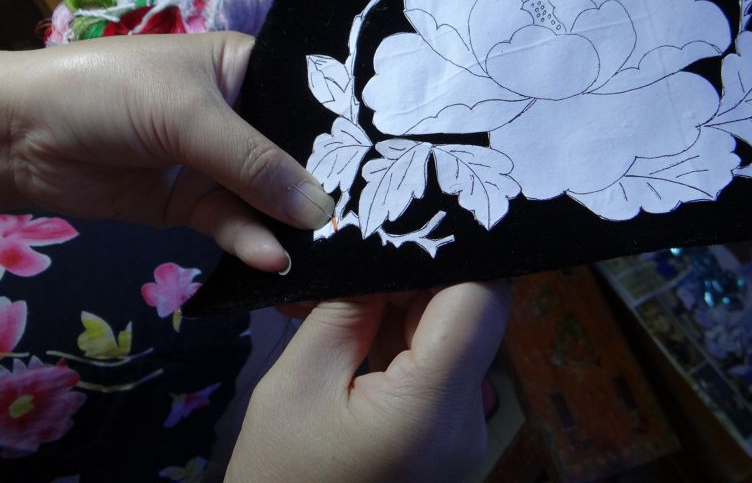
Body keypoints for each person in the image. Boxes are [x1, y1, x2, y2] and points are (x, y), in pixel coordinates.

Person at [0, 32, 510, 481]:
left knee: (408, 372)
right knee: (387, 401)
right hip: (203, 424)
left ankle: (416, 409)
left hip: (212, 247)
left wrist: (17, 125)